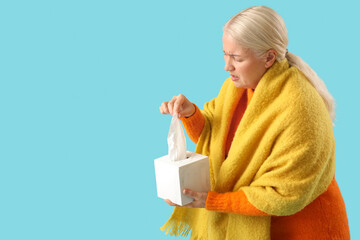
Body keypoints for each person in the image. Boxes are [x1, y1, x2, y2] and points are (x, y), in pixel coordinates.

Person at [159, 6, 350, 240]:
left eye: (237, 58)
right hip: (258, 221)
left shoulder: (300, 107)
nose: (227, 66)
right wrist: (191, 114)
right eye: (225, 54)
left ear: (269, 57)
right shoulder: (237, 88)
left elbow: (282, 194)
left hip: (302, 227)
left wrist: (211, 200)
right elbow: (219, 141)